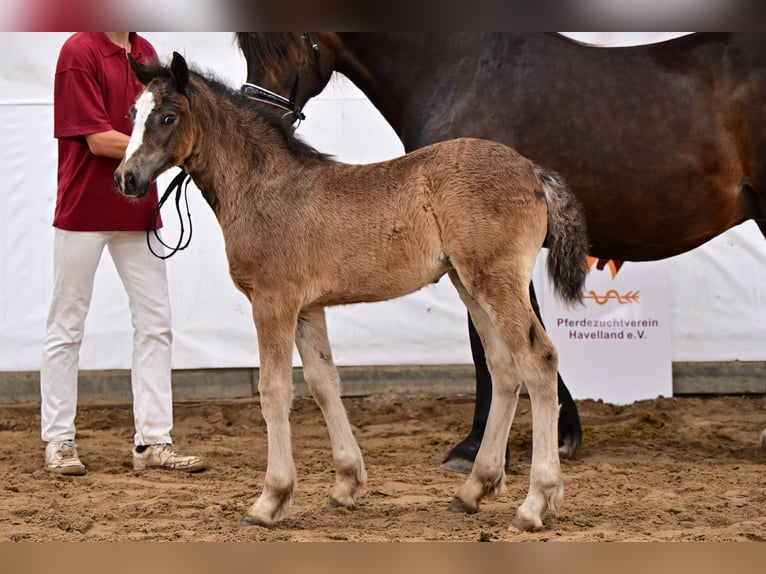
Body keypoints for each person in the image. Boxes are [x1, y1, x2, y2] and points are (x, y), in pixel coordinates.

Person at [40, 32, 205, 475]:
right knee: (67, 326)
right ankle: (58, 440)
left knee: (156, 324)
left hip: (138, 211)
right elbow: (95, 139)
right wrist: (173, 149)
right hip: (83, 210)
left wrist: (172, 144)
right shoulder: (79, 51)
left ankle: (153, 441)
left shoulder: (146, 52)